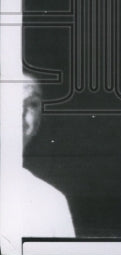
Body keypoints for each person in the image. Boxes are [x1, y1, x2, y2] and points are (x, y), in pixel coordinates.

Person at [13, 75, 76, 238]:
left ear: (38, 122)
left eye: (32, 104)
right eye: (8, 101)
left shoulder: (52, 202)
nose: (20, 112)